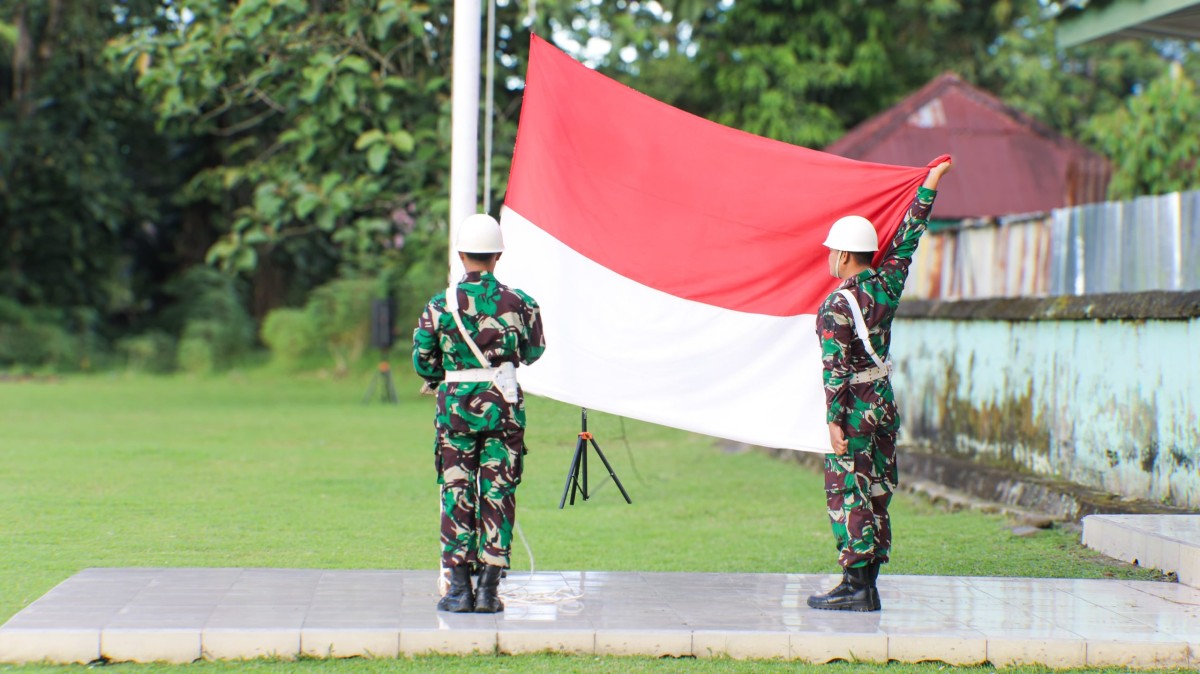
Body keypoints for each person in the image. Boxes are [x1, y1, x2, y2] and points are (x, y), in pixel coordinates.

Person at [807, 157, 952, 612]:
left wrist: (833, 420)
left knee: (848, 490)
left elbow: (835, 369)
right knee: (876, 490)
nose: (830, 256)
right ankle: (868, 586)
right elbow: (909, 238)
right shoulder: (888, 282)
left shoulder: (835, 304)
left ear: (845, 256)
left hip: (852, 409)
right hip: (883, 403)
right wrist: (929, 185)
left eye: (833, 250)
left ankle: (854, 587)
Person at [412, 213, 546, 614]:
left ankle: (457, 591)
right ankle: (488, 591)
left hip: (454, 412)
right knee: (498, 492)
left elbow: (423, 360)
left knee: (456, 492)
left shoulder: (439, 305)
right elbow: (534, 352)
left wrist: (446, 375)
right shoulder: (521, 303)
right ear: (497, 256)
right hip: (503, 409)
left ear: (460, 254)